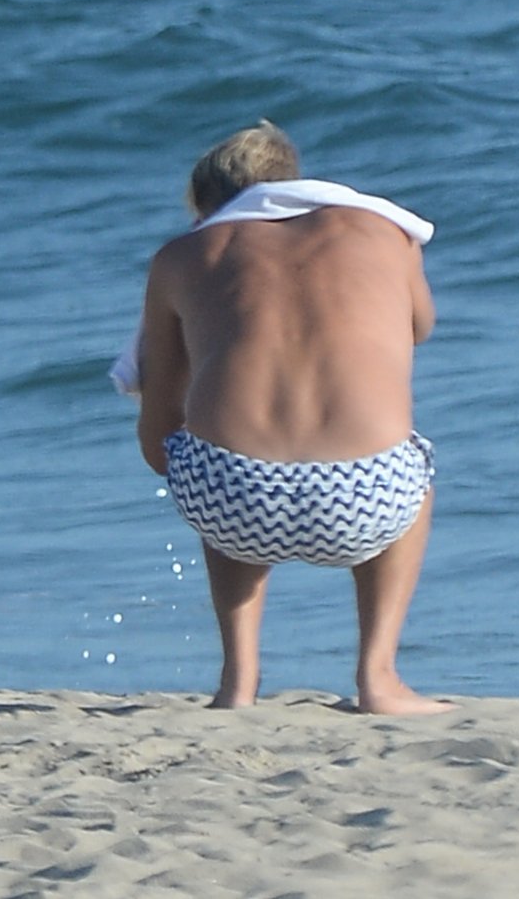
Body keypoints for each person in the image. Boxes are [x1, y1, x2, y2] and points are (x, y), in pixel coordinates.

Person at [130, 121, 448, 714]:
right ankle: (378, 678)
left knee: (212, 453)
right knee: (415, 472)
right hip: (368, 501)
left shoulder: (181, 257)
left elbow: (158, 422)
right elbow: (422, 325)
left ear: (208, 206)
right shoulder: (385, 232)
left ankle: (238, 682)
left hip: (233, 503)